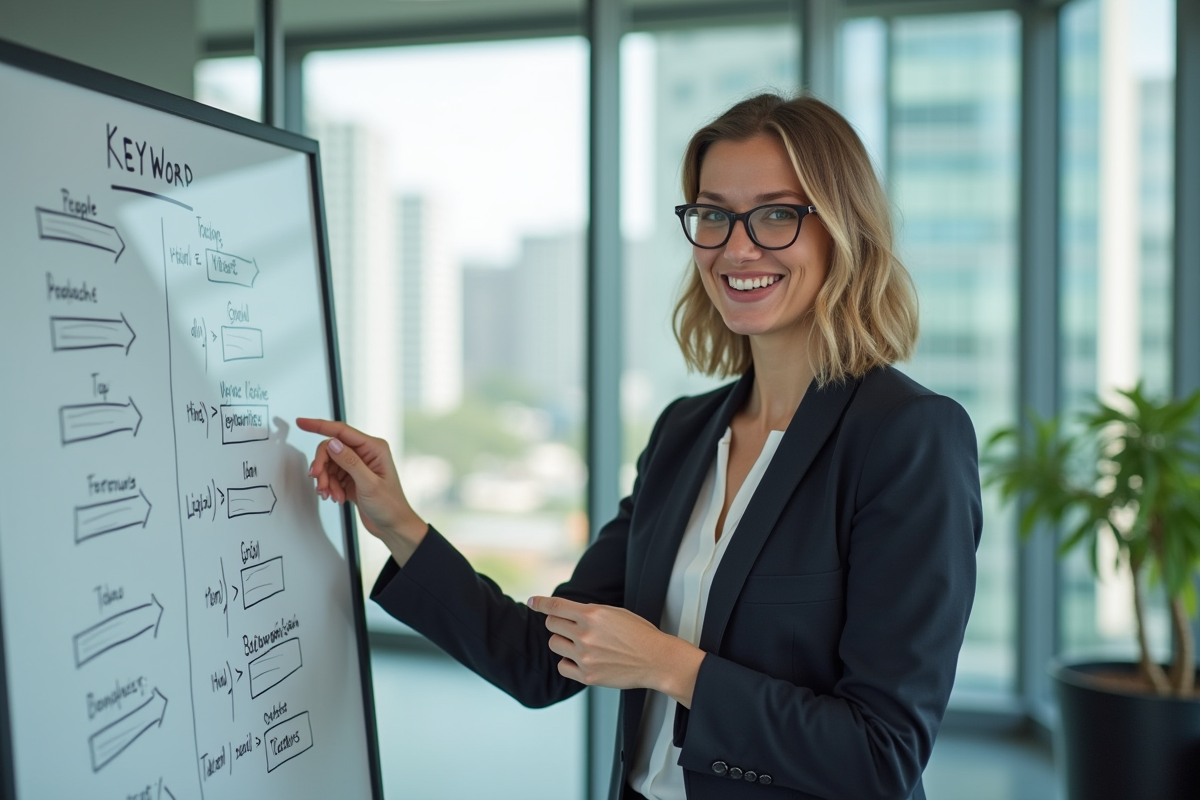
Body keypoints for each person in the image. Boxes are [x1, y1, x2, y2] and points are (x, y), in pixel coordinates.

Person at [297, 93, 981, 800]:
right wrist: (398, 523)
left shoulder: (908, 436)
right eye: (713, 215)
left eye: (777, 214)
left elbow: (882, 755)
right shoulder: (685, 432)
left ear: (841, 230)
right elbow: (543, 658)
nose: (736, 247)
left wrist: (670, 667)